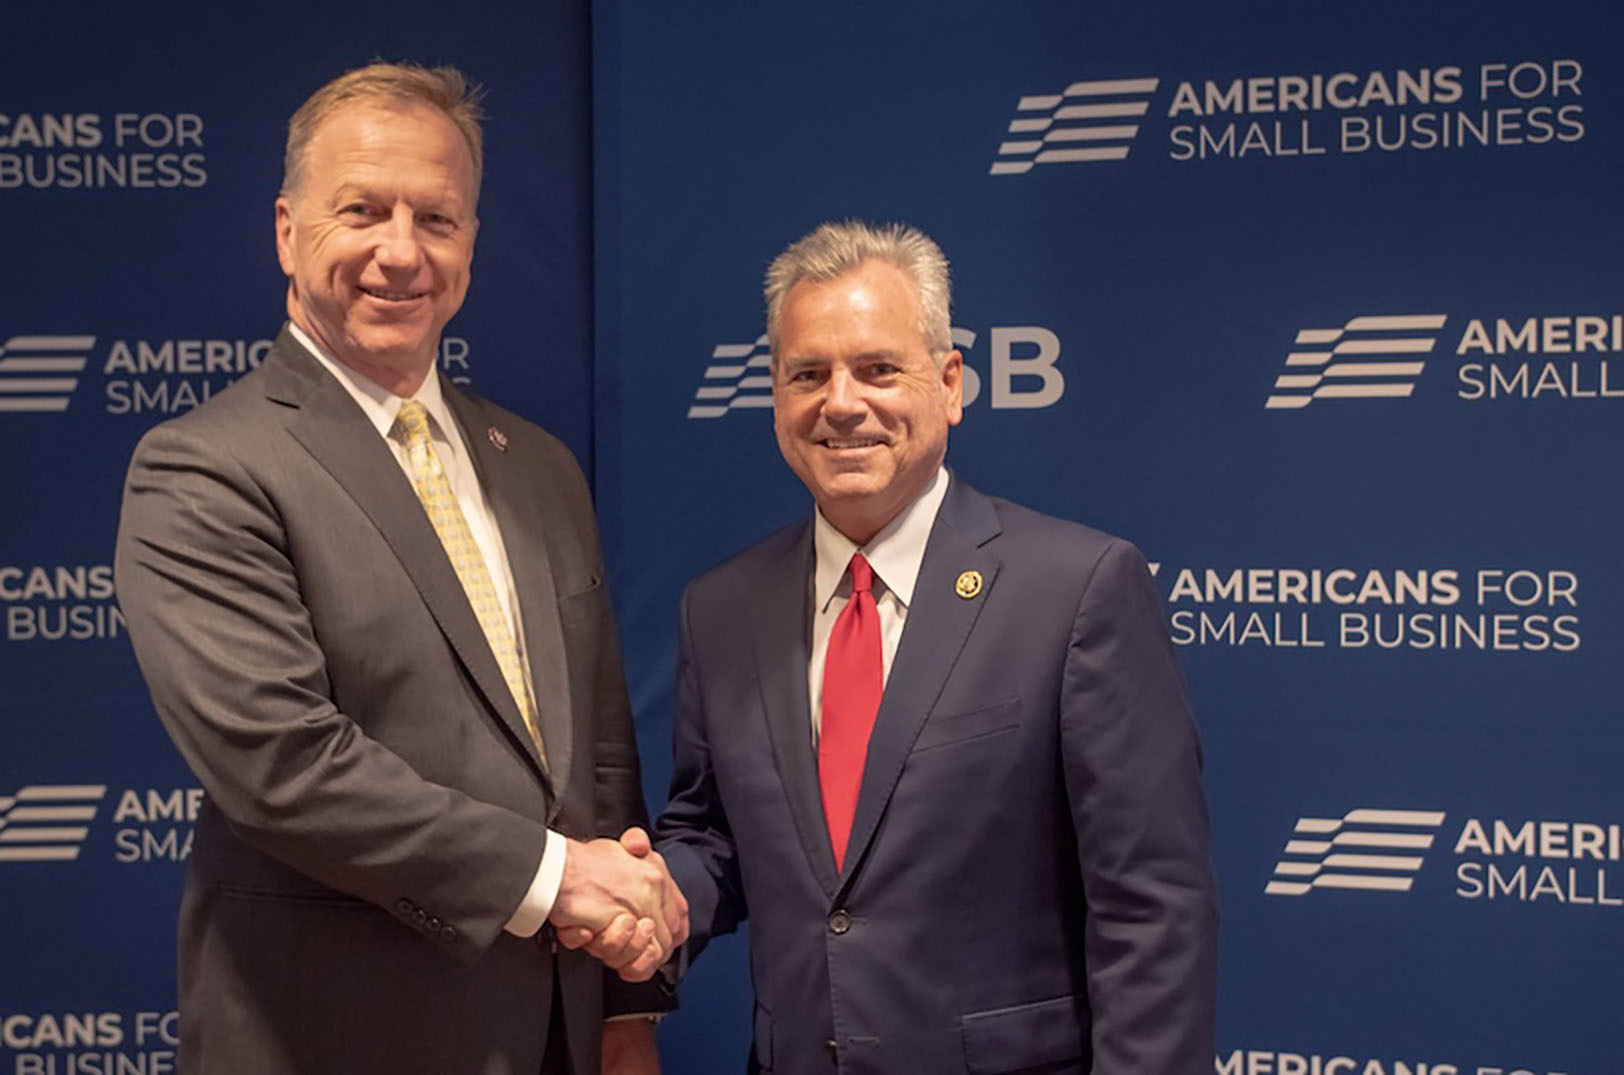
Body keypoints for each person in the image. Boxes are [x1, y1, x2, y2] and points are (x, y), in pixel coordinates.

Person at [115, 62, 680, 1075]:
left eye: (437, 218)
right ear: (287, 230)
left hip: (554, 1036)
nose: (401, 251)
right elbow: (282, 767)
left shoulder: (539, 466)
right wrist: (555, 878)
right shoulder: (205, 468)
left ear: (472, 242)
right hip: (333, 1039)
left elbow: (597, 753)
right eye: (363, 210)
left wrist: (626, 1006)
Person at [649, 221, 1218, 1072]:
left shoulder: (1078, 590)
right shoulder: (722, 608)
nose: (842, 402)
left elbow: (1155, 910)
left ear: (949, 383)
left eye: (878, 368)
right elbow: (716, 837)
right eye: (809, 374)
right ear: (775, 393)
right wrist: (653, 894)